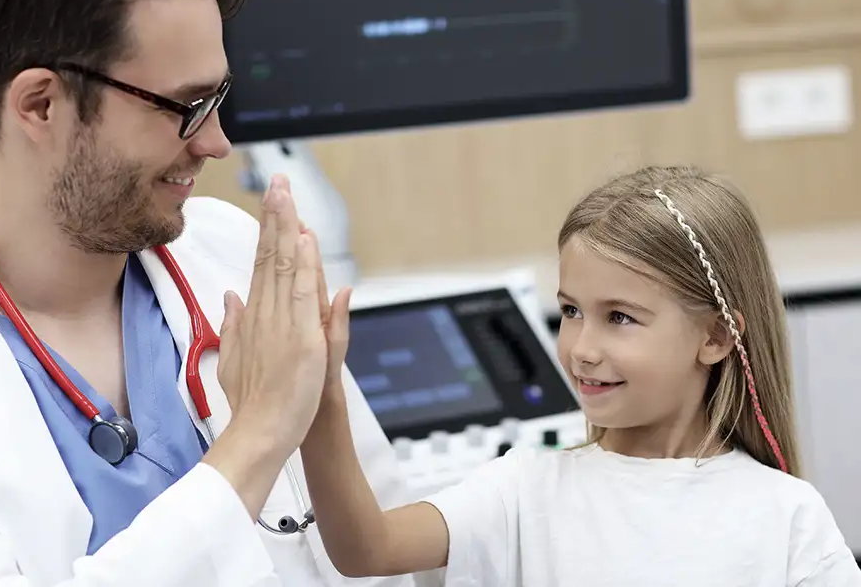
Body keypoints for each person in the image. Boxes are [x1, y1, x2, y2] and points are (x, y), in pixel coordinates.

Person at [0, 0, 431, 586]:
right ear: (40, 105)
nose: (215, 141)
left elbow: (393, 560)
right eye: (185, 105)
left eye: (218, 99)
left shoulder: (238, 255)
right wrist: (258, 436)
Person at [299, 165, 861, 586]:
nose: (582, 348)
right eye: (571, 312)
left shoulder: (786, 514)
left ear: (714, 338)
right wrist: (322, 398)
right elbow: (364, 549)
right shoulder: (525, 489)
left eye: (620, 317)